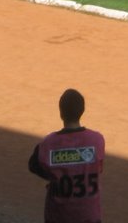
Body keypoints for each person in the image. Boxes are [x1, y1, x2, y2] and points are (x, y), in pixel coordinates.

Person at [28, 88, 105, 223]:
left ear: (61, 112)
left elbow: (34, 166)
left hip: (59, 217)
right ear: (82, 111)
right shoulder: (97, 140)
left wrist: (55, 175)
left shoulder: (49, 143)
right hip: (90, 217)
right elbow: (98, 167)